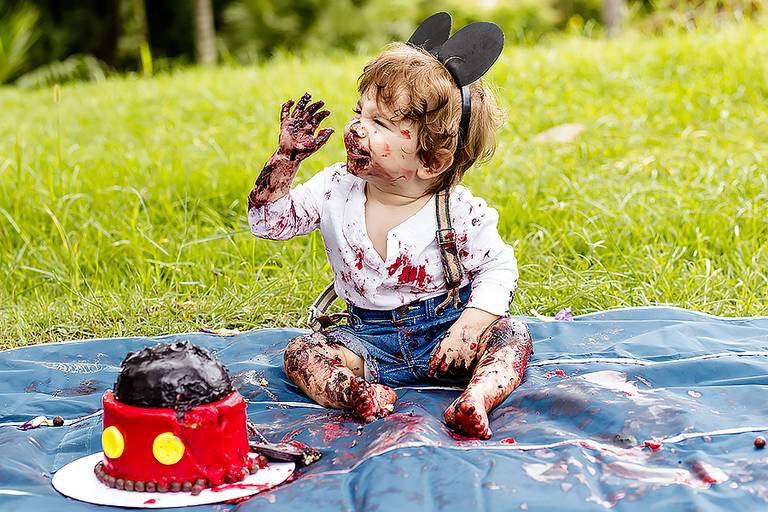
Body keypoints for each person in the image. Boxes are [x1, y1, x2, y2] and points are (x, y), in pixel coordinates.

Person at [247, 15, 533, 439]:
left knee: (511, 335)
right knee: (301, 353)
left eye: (379, 123)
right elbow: (268, 223)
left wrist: (470, 326)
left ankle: (476, 398)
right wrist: (286, 160)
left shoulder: (457, 211)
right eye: (359, 113)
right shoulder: (334, 188)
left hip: (445, 337)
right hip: (367, 341)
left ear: (430, 162)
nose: (355, 128)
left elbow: (498, 267)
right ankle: (359, 394)